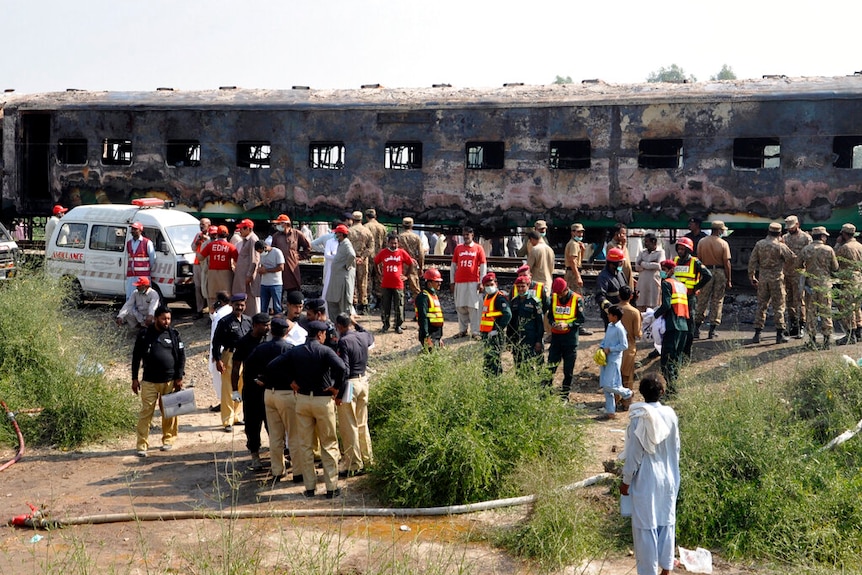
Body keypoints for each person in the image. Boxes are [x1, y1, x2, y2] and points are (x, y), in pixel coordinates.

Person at [266, 320, 347, 498]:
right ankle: (331, 487)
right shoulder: (325, 351)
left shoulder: (296, 351)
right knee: (329, 444)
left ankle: (310, 487)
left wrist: (291, 381)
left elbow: (273, 366)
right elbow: (342, 367)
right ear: (320, 335)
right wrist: (336, 387)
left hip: (302, 400)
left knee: (305, 444)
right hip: (322, 401)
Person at [620, 374, 680, 575]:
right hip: (669, 476)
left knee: (646, 528)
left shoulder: (640, 417)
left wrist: (626, 481)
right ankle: (666, 569)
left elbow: (634, 454)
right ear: (662, 392)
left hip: (647, 479)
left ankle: (648, 571)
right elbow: (676, 448)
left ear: (642, 393)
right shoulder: (670, 414)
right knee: (666, 522)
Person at [131, 305, 185, 456]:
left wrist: (179, 377)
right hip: (149, 381)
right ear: (156, 318)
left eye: (168, 318)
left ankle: (168, 440)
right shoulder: (144, 335)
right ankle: (142, 445)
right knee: (145, 413)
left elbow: (181, 357)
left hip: (169, 381)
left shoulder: (174, 334)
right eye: (163, 318)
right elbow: (136, 357)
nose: (166, 321)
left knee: (169, 412)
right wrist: (134, 378)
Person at [252, 317, 297, 479]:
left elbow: (249, 367)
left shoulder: (261, 348)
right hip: (286, 394)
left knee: (275, 436)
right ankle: (297, 471)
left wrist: (259, 380)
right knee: (293, 434)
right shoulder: (290, 349)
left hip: (268, 393)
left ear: (271, 331)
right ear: (287, 331)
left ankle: (278, 470)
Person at [335, 313, 375, 477]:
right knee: (362, 423)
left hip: (350, 385)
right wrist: (356, 324)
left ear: (339, 326)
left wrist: (338, 390)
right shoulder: (363, 336)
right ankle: (368, 460)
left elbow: (344, 369)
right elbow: (370, 336)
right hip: (363, 381)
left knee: (349, 425)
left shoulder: (343, 341)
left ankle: (354, 464)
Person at [231, 312, 271, 468]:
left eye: (269, 324)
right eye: (264, 325)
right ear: (255, 326)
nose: (268, 328)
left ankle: (277, 454)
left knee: (272, 424)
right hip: (251, 391)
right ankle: (255, 455)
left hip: (268, 389)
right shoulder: (244, 342)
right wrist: (235, 390)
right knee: (252, 425)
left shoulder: (269, 340)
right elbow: (235, 367)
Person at [748, 222, 795, 344]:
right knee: (779, 307)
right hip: (777, 279)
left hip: (763, 278)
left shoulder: (759, 244)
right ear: (780, 233)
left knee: (761, 306)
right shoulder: (780, 246)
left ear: (768, 232)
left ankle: (757, 334)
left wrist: (752, 276)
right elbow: (792, 258)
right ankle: (779, 335)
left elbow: (752, 261)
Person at [211, 292, 252, 431]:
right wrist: (217, 359)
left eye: (242, 305)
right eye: (237, 305)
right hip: (229, 356)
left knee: (241, 386)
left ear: (245, 306)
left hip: (245, 358)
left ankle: (236, 416)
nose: (239, 307)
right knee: (229, 388)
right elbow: (216, 342)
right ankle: (227, 420)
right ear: (232, 305)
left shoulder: (248, 321)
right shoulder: (225, 321)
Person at [799, 227, 839, 350]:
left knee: (811, 312)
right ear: (822, 237)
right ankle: (827, 341)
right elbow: (835, 267)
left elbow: (799, 265)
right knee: (826, 311)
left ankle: (812, 340)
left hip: (810, 285)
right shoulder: (829, 249)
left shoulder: (806, 250)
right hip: (824, 285)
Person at [547, 277, 585, 398]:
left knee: (568, 371)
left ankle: (565, 395)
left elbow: (581, 319)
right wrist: (553, 323)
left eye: (560, 293)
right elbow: (551, 316)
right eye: (557, 294)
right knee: (550, 367)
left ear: (566, 289)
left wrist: (568, 325)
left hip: (570, 340)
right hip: (556, 339)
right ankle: (546, 392)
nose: (559, 296)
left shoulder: (577, 299)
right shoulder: (553, 298)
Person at [655, 260, 690, 392]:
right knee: (676, 358)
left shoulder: (666, 284)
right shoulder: (681, 285)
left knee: (667, 359)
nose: (662, 272)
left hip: (672, 325)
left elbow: (666, 305)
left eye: (664, 269)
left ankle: (672, 390)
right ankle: (673, 386)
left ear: (671, 270)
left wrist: (654, 316)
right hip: (683, 326)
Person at [672, 236, 711, 353]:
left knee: (689, 325)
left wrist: (696, 287)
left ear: (688, 250)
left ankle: (687, 351)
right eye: (678, 249)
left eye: (682, 249)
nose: (680, 251)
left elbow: (708, 275)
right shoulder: (674, 261)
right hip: (677, 298)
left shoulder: (695, 262)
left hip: (689, 298)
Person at [694, 221, 732, 339]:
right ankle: (712, 329)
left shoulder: (702, 242)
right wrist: (729, 279)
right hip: (719, 272)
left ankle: (696, 329)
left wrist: (698, 276)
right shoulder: (723, 243)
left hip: (706, 271)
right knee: (717, 300)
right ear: (719, 230)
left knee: (702, 299)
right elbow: (727, 263)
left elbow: (698, 260)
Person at [373, 233, 415, 333]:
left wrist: (406, 276)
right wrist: (379, 274)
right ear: (388, 243)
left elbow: (411, 263)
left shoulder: (402, 252)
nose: (394, 245)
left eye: (395, 243)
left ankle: (398, 325)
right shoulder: (383, 252)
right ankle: (385, 324)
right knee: (385, 305)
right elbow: (375, 262)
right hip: (386, 284)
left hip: (398, 284)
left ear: (398, 243)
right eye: (392, 243)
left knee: (399, 305)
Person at [451, 226, 487, 339]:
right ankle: (462, 330)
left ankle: (475, 332)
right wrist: (452, 282)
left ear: (472, 235)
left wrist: (482, 282)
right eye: (464, 234)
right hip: (460, 282)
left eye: (468, 234)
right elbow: (453, 266)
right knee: (460, 306)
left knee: (474, 307)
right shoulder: (458, 248)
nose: (466, 236)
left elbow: (483, 266)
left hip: (473, 282)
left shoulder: (478, 248)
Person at [597, 305, 633, 420]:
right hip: (605, 359)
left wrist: (610, 349)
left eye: (609, 314)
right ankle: (610, 412)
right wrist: (601, 347)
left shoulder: (620, 329)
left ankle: (627, 393)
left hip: (614, 360)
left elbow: (624, 345)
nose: (607, 316)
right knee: (605, 385)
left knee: (610, 385)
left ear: (615, 316)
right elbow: (606, 339)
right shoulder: (610, 326)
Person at [509, 269, 549, 372]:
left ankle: (541, 384)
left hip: (532, 338)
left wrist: (539, 341)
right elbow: (511, 323)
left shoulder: (534, 302)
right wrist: (510, 340)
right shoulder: (514, 302)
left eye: (523, 286)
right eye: (518, 287)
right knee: (519, 364)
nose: (521, 289)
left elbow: (540, 324)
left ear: (528, 286)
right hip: (518, 338)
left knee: (537, 363)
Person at [782, 215, 812, 338]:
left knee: (799, 300)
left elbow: (810, 255)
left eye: (791, 227)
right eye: (788, 227)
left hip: (799, 274)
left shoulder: (806, 238)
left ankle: (801, 325)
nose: (789, 229)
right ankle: (793, 325)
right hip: (786, 273)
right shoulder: (784, 238)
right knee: (788, 300)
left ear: (797, 225)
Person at [269, 214, 312, 294]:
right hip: (279, 268)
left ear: (285, 224)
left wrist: (298, 256)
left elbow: (308, 247)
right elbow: (273, 251)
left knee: (293, 293)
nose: (277, 226)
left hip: (292, 268)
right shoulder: (276, 236)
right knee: (278, 295)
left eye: (279, 224)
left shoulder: (297, 234)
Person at [834, 223, 862, 345]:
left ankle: (850, 334)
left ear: (844, 234)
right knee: (856, 306)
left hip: (848, 278)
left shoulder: (845, 247)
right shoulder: (860, 246)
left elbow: (834, 259)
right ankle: (859, 332)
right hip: (859, 278)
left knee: (847, 307)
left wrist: (837, 243)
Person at [479, 273, 512, 375]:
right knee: (488, 360)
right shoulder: (488, 296)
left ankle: (496, 383)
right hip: (486, 334)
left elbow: (507, 314)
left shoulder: (499, 298)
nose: (489, 287)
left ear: (496, 284)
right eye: (487, 285)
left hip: (494, 335)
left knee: (494, 361)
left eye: (491, 284)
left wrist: (498, 329)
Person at [200, 225, 238, 305]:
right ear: (227, 234)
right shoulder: (231, 247)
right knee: (226, 297)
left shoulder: (210, 245)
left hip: (212, 274)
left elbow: (200, 257)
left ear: (217, 235)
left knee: (212, 298)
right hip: (226, 274)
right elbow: (237, 260)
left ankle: (213, 315)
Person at [618, 285, 642, 410]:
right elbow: (637, 333)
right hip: (629, 347)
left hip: (614, 348)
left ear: (618, 295)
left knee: (616, 375)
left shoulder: (614, 309)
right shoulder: (634, 312)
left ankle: (614, 400)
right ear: (631, 296)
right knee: (627, 376)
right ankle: (626, 402)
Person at [208, 291, 232, 411]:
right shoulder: (227, 311)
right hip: (224, 350)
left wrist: (216, 354)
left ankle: (224, 403)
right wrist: (212, 312)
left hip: (221, 352)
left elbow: (217, 336)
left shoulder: (221, 315)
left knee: (220, 378)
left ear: (220, 301)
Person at [325, 224, 356, 318]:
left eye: (336, 233)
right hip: (337, 279)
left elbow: (352, 255)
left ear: (341, 234)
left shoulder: (346, 243)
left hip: (343, 280)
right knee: (332, 301)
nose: (335, 235)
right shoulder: (341, 243)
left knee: (344, 306)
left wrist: (347, 265)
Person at [232, 218, 261, 315]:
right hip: (243, 277)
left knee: (251, 300)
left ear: (248, 229)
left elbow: (255, 259)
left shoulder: (253, 239)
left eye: (242, 229)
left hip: (247, 278)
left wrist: (249, 275)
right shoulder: (246, 240)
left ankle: (252, 319)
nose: (240, 231)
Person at [349, 210, 375, 314]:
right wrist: (363, 257)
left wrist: (354, 257)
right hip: (363, 261)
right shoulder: (367, 231)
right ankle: (363, 304)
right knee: (363, 281)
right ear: (361, 219)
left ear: (353, 219)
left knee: (352, 282)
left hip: (351, 260)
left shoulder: (349, 231)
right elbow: (371, 247)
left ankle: (353, 304)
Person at [596, 247, 629, 329]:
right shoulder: (603, 277)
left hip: (622, 311)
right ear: (612, 264)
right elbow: (599, 296)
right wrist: (611, 309)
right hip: (611, 315)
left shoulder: (620, 273)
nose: (622, 264)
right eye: (620, 262)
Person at [415, 268, 445, 351]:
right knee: (431, 356)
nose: (439, 283)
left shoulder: (433, 295)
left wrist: (439, 338)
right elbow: (423, 317)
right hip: (430, 334)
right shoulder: (423, 297)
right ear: (429, 283)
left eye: (440, 281)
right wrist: (426, 337)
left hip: (435, 335)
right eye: (437, 281)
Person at [635, 232, 665, 311]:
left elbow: (659, 265)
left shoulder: (660, 252)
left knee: (653, 308)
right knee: (640, 307)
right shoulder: (642, 252)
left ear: (653, 242)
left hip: (653, 284)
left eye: (647, 242)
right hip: (642, 284)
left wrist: (643, 263)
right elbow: (637, 267)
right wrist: (651, 264)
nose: (645, 244)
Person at [364, 208, 388, 308]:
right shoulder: (383, 228)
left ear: (366, 217)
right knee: (379, 278)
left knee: (367, 278)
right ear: (375, 216)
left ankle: (367, 300)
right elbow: (386, 244)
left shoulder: (365, 227)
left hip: (368, 257)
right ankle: (380, 300)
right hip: (380, 256)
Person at [125, 221, 156, 299]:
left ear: (140, 230)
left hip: (143, 276)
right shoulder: (129, 243)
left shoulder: (147, 243)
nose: (133, 231)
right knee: (130, 296)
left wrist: (148, 269)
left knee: (144, 297)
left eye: (135, 229)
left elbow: (152, 258)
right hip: (131, 275)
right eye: (132, 229)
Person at [397, 217, 425, 300]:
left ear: (402, 225)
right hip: (412, 264)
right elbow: (421, 253)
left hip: (401, 263)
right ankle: (418, 306)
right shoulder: (416, 237)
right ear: (412, 225)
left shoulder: (399, 237)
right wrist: (421, 267)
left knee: (401, 285)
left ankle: (401, 305)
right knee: (415, 287)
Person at [256, 240, 285, 315]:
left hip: (275, 283)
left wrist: (267, 270)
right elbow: (262, 265)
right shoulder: (262, 255)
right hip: (264, 283)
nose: (260, 253)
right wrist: (260, 270)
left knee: (277, 307)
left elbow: (281, 267)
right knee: (263, 307)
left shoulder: (277, 252)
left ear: (265, 247)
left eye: (261, 251)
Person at [191, 217, 212, 317]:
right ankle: (199, 310)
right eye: (200, 224)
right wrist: (197, 242)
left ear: (209, 225)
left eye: (203, 224)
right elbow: (193, 248)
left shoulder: (212, 235)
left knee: (208, 287)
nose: (201, 226)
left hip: (207, 264)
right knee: (198, 287)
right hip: (197, 264)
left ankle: (210, 310)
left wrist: (206, 240)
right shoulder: (197, 235)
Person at [606, 223, 635, 289]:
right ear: (617, 234)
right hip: (619, 277)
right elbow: (621, 256)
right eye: (623, 234)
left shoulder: (622, 245)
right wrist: (624, 245)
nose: (624, 236)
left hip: (627, 276)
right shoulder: (611, 245)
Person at [564, 223, 586, 293]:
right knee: (574, 294)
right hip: (572, 273)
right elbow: (572, 261)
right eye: (578, 232)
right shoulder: (573, 244)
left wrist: (582, 250)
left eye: (581, 232)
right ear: (572, 233)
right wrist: (578, 277)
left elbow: (579, 261)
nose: (580, 234)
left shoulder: (576, 243)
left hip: (573, 271)